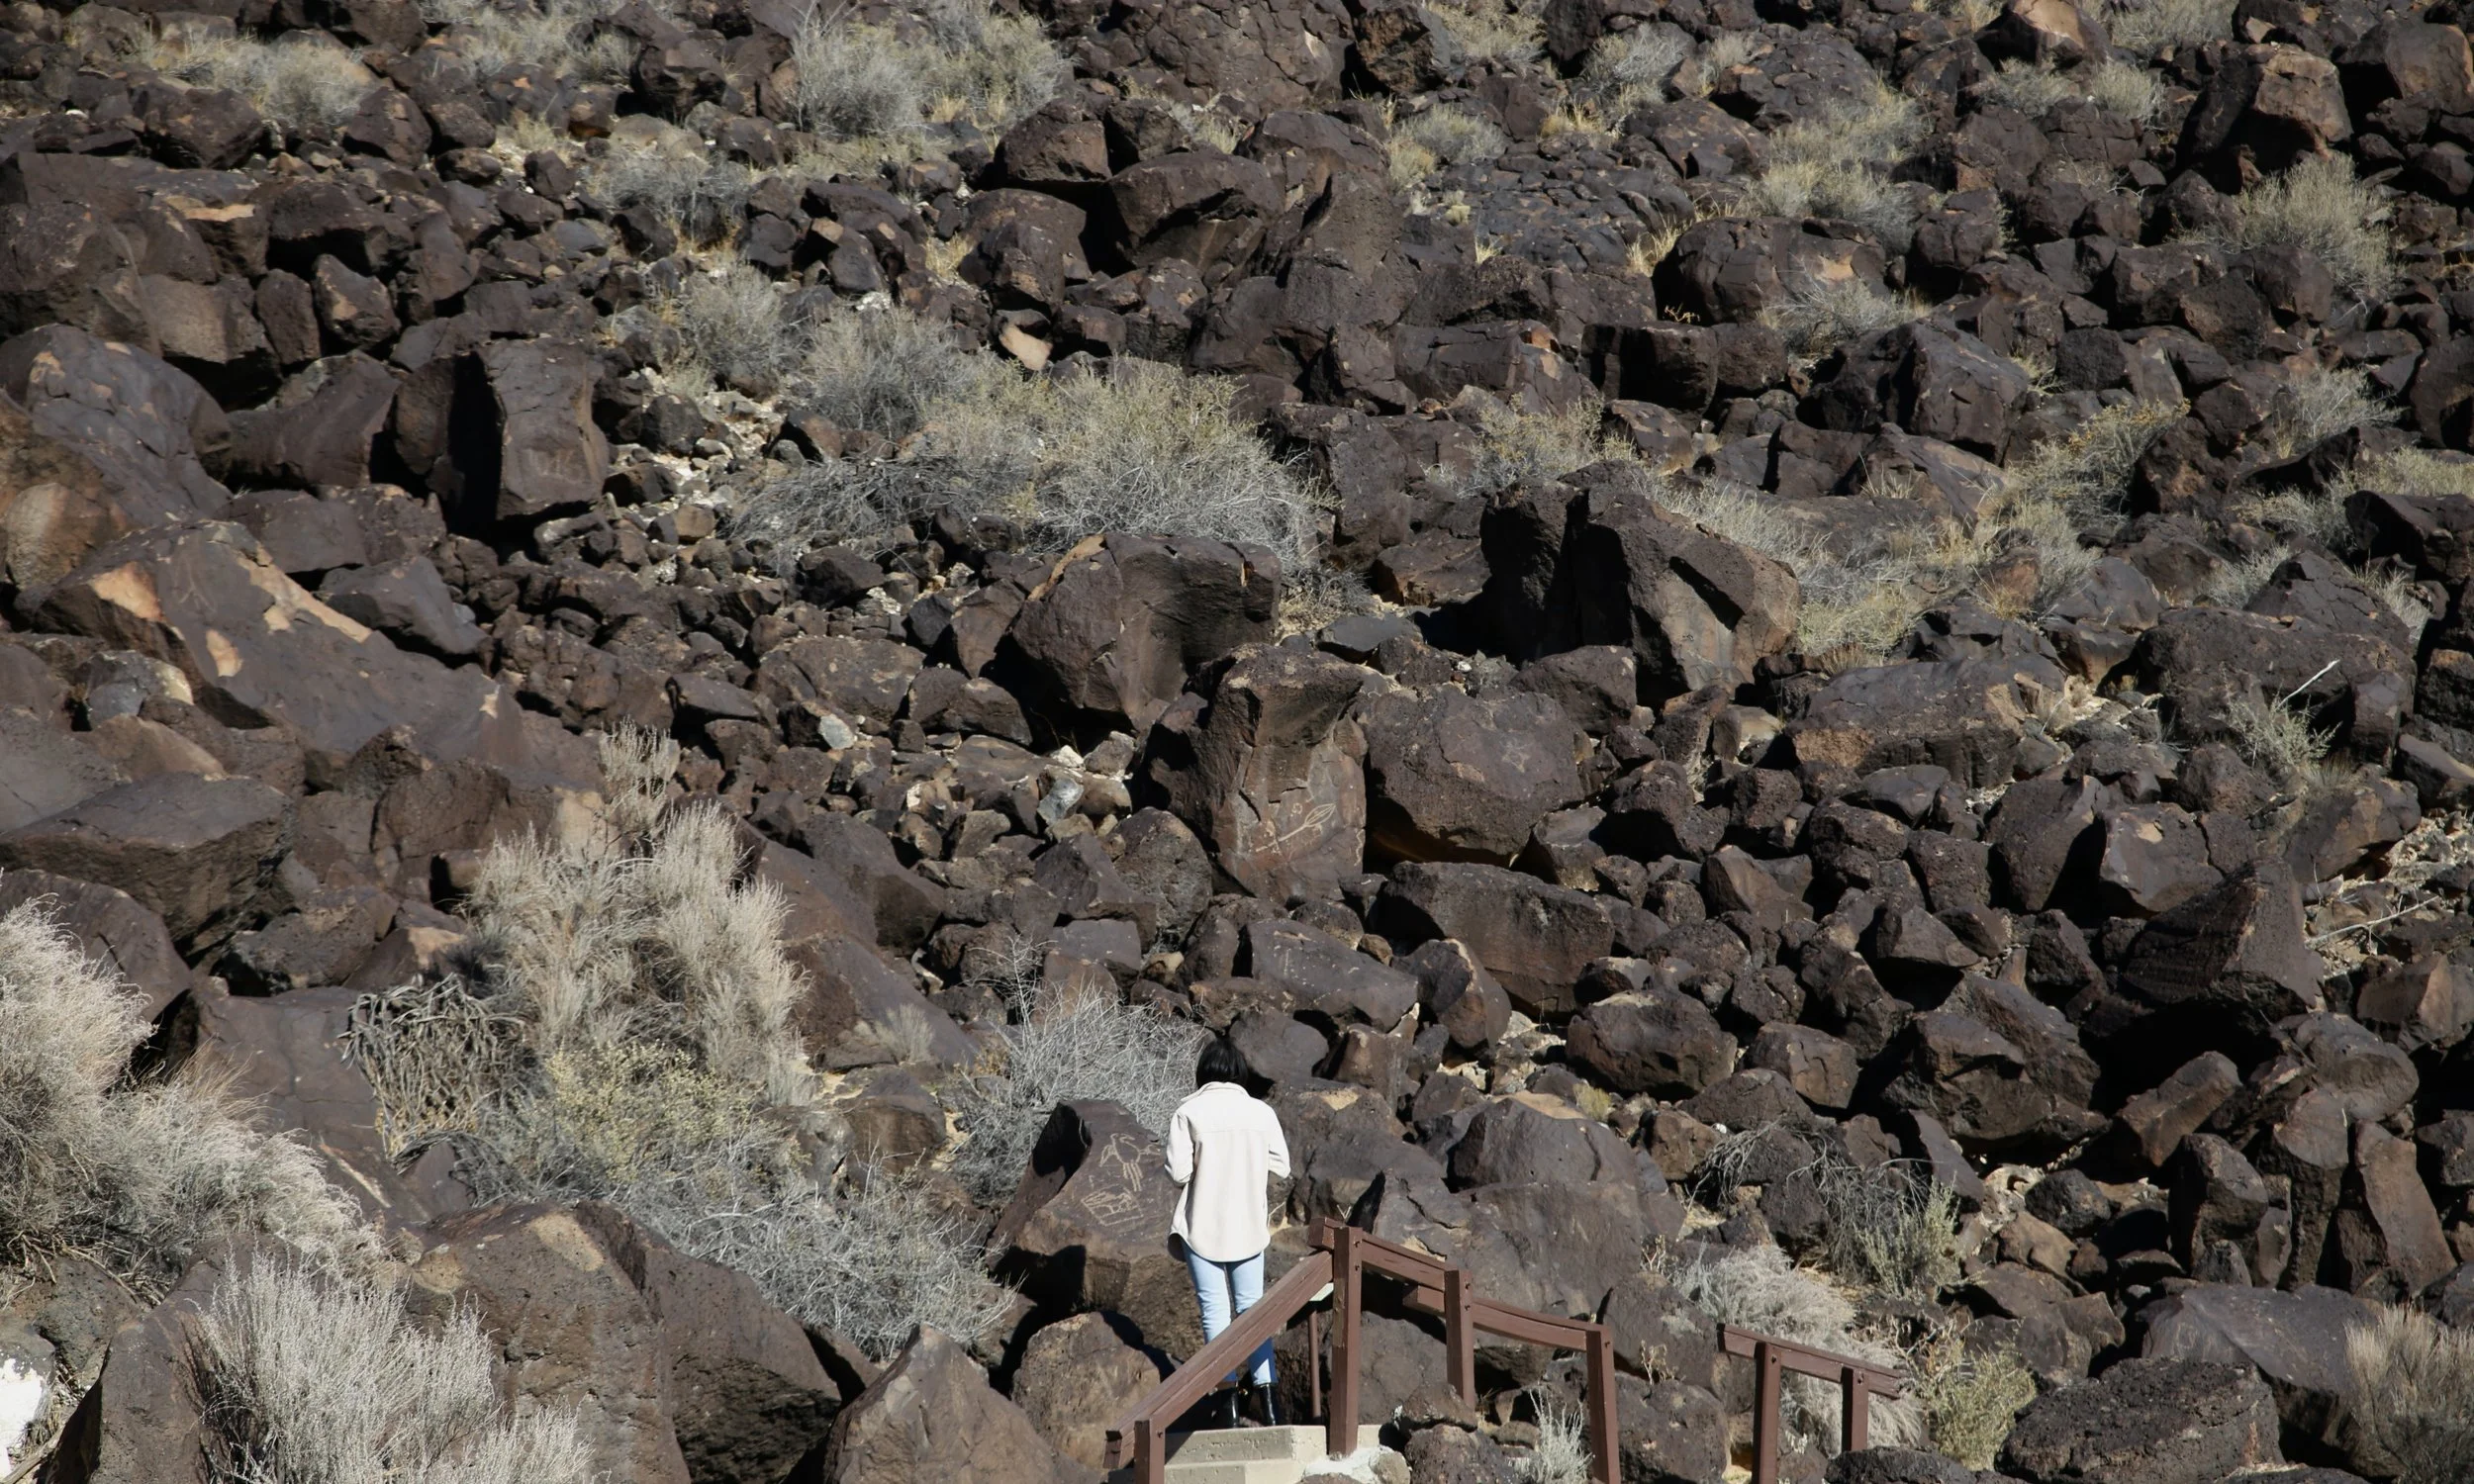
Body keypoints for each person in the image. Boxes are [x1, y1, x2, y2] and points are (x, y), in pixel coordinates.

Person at [1166, 1035, 1292, 1428]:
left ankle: (1227, 1403)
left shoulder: (1188, 1113)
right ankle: (1267, 1401)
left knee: (1214, 1312)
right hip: (1248, 1227)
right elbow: (1282, 1166)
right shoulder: (1260, 1113)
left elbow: (1179, 1172)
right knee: (1255, 1312)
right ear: (1239, 1073)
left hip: (1202, 1226)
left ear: (1203, 1073)